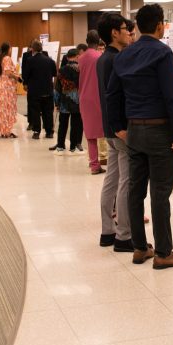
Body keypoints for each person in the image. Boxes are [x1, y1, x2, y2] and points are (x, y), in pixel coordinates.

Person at [106, 3, 173, 270]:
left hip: (134, 131)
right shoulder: (162, 53)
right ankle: (164, 252)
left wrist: (118, 126)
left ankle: (140, 248)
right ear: (159, 25)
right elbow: (171, 95)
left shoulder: (124, 56)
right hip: (160, 129)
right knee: (160, 193)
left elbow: (112, 95)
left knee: (135, 190)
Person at [96, 13, 134, 251]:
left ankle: (107, 231)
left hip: (109, 128)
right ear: (114, 33)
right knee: (126, 182)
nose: (128, 32)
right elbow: (115, 96)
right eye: (124, 29)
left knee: (111, 179)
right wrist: (121, 127)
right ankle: (123, 236)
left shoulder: (103, 59)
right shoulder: (116, 59)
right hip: (119, 129)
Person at [78, 30, 105, 174]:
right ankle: (109, 162)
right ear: (98, 40)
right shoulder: (100, 57)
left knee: (90, 134)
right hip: (98, 97)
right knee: (107, 131)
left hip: (84, 97)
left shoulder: (81, 58)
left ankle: (94, 164)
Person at [21, 40, 56, 139]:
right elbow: (54, 73)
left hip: (34, 90)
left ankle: (37, 131)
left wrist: (25, 83)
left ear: (32, 49)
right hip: (48, 89)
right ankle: (49, 132)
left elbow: (25, 75)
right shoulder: (50, 60)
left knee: (35, 111)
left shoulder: (30, 60)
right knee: (48, 111)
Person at [51, 49, 83, 155]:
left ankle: (60, 146)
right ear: (77, 56)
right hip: (77, 101)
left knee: (63, 124)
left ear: (68, 57)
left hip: (64, 101)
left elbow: (57, 89)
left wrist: (56, 102)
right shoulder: (81, 69)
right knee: (75, 124)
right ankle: (73, 147)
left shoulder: (62, 70)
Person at [0, 42, 19, 138]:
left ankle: (4, 130)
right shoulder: (7, 58)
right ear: (8, 49)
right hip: (7, 86)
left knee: (2, 108)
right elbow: (8, 72)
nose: (11, 50)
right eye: (10, 48)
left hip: (0, 85)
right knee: (7, 107)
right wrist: (16, 77)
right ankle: (7, 131)